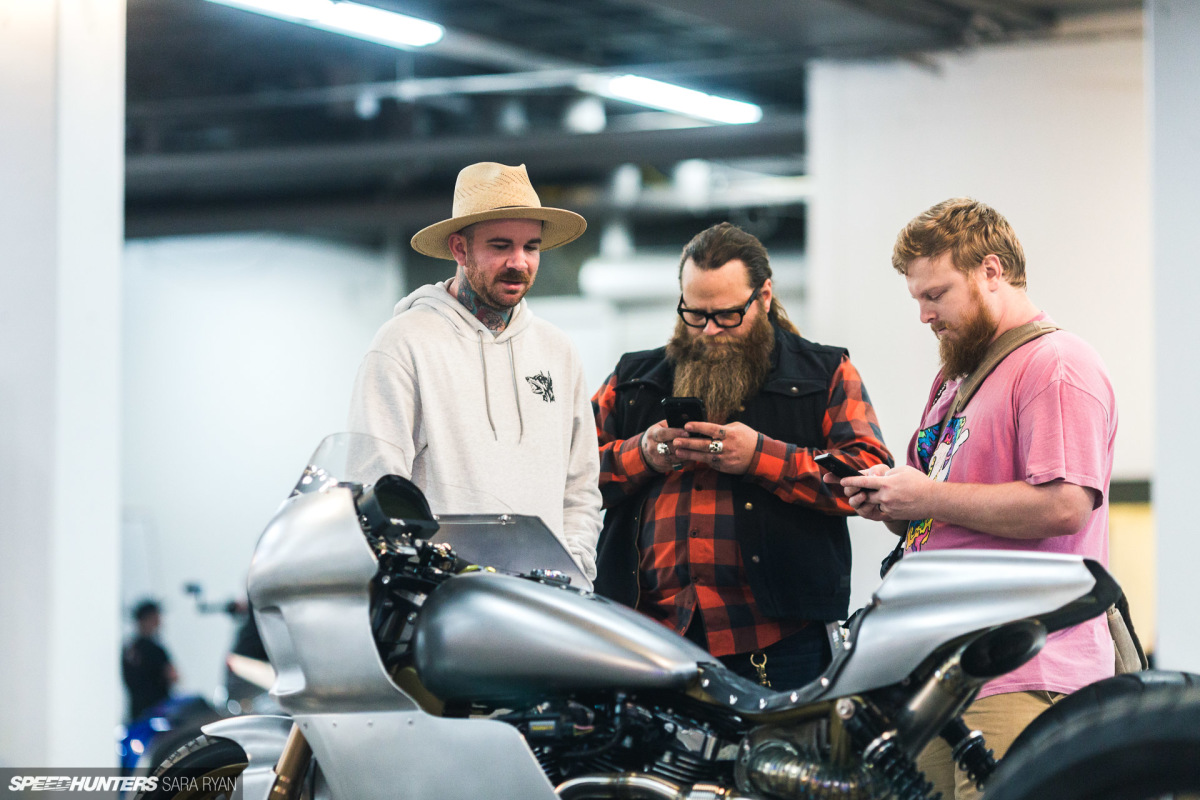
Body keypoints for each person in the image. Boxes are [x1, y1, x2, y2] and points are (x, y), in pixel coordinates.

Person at [837, 198, 1117, 800]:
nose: (924, 315)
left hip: (1022, 668)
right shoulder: (956, 378)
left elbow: (1065, 506)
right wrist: (895, 505)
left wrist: (929, 495)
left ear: (992, 271)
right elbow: (943, 506)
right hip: (943, 676)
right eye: (917, 298)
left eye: (936, 294)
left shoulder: (1055, 364)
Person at [592, 222, 893, 690]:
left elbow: (868, 476)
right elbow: (569, 476)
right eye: (695, 314)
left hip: (779, 643)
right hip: (648, 636)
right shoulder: (633, 378)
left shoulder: (825, 372)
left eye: (728, 315)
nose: (710, 330)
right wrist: (642, 454)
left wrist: (759, 457)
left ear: (764, 296)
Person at [347, 162, 602, 586]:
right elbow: (377, 487)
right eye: (501, 246)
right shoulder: (403, 344)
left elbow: (580, 488)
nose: (519, 262)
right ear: (460, 250)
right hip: (445, 602)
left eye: (531, 247)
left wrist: (575, 572)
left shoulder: (558, 351)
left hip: (545, 602)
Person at [121, 600, 178, 721]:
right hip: (158, 713)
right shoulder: (155, 650)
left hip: (136, 713)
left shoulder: (129, 650)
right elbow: (173, 676)